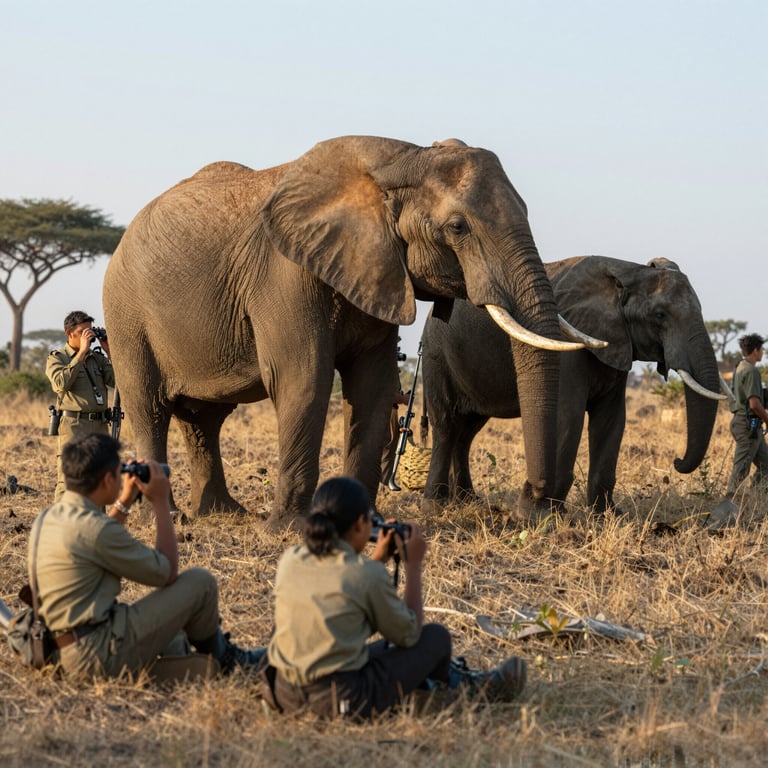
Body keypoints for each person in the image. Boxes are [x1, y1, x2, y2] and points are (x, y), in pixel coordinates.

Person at [262, 476, 526, 720]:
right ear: (359, 525)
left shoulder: (291, 559)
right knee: (435, 638)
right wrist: (413, 566)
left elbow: (344, 586)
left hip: (281, 692)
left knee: (374, 651)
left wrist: (377, 559)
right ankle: (465, 691)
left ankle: (437, 687)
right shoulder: (366, 575)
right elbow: (410, 635)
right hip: (339, 700)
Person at [28, 432, 264, 682]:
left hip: (55, 648)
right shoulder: (97, 530)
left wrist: (125, 500)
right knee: (200, 582)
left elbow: (96, 541)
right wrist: (161, 502)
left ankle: (189, 660)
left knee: (175, 639)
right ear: (108, 480)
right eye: (119, 472)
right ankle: (228, 661)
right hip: (93, 652)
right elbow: (166, 572)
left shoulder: (50, 517)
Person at [46, 310, 115, 501]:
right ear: (70, 334)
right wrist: (82, 353)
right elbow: (60, 384)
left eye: (91, 332)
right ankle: (63, 525)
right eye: (84, 333)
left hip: (100, 425)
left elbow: (118, 382)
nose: (89, 337)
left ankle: (95, 525)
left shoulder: (97, 358)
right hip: (74, 425)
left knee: (100, 477)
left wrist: (109, 351)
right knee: (70, 478)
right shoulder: (58, 357)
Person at [725, 333, 768, 497]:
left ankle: (756, 497)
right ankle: (729, 503)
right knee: (741, 468)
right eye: (761, 349)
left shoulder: (739, 367)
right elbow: (755, 405)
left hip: (747, 424)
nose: (763, 353)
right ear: (755, 350)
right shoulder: (751, 371)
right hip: (748, 425)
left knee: (766, 466)